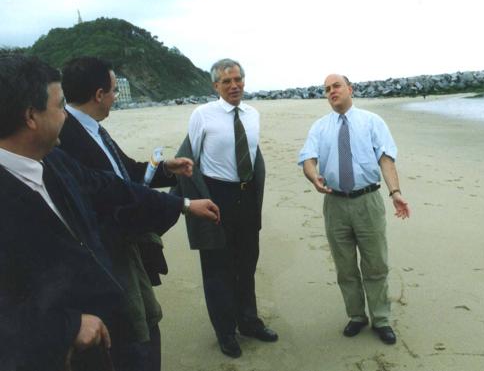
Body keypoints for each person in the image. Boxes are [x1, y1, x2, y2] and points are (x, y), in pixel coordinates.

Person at [0, 55, 220, 371]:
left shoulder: (53, 161)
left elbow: (112, 184)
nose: (66, 115)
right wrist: (66, 328)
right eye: (60, 106)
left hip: (99, 323)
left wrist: (182, 204)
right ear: (31, 117)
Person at [58, 56, 191, 371]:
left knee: (146, 320)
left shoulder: (92, 128)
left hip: (125, 249)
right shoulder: (67, 137)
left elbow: (125, 171)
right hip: (108, 255)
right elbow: (106, 191)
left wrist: (164, 171)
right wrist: (180, 206)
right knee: (131, 333)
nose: (116, 97)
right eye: (115, 91)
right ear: (99, 94)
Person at [173, 58, 277, 358]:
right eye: (226, 81)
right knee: (217, 267)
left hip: (246, 197)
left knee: (246, 263)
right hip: (216, 196)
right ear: (215, 86)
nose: (234, 86)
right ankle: (225, 330)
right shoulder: (202, 115)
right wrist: (195, 202)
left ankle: (249, 320)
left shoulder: (253, 114)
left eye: (238, 80)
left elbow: (254, 157)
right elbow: (189, 159)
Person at [298, 74, 410, 345]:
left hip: (367, 201)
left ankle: (381, 318)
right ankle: (357, 316)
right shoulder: (320, 127)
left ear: (350, 89)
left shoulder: (372, 122)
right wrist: (314, 177)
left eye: (336, 86)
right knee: (345, 266)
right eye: (326, 89)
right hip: (335, 203)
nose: (331, 91)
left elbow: (386, 158)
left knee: (375, 263)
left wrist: (395, 192)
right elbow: (307, 159)